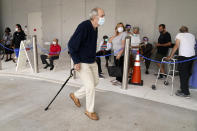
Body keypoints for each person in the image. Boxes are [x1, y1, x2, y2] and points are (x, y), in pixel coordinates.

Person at [68, 7, 105, 120]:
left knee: (95, 82)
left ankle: (75, 95)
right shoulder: (84, 26)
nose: (104, 18)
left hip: (91, 61)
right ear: (94, 17)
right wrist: (76, 61)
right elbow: (71, 44)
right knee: (90, 86)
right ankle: (89, 111)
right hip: (82, 61)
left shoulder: (95, 27)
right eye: (102, 16)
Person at [166, 26, 196, 98]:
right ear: (187, 30)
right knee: (187, 73)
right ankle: (183, 89)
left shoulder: (179, 35)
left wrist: (170, 56)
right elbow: (193, 45)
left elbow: (176, 46)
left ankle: (185, 92)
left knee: (183, 74)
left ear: (180, 31)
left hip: (184, 57)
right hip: (191, 57)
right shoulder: (192, 35)